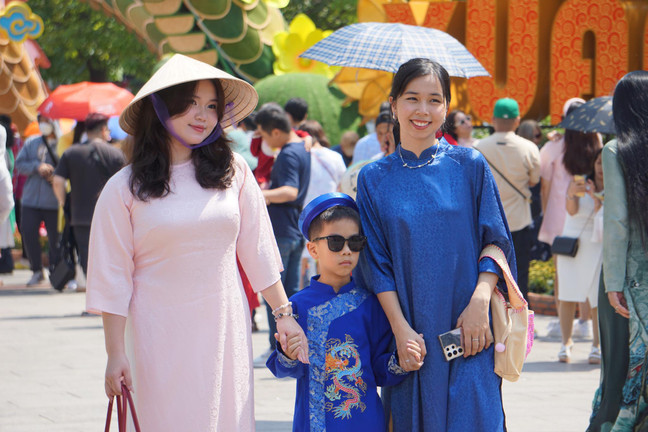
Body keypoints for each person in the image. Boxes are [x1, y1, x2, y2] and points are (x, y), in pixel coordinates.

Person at [85, 54, 308, 430]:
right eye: (190, 103)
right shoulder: (124, 188)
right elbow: (112, 277)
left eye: (211, 106)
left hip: (225, 326)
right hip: (157, 333)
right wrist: (115, 353)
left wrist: (284, 315)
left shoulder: (233, 171)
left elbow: (258, 250)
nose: (202, 116)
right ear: (160, 108)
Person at [357, 58, 516, 431]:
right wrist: (400, 330)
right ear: (394, 104)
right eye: (412, 98)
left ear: (446, 108)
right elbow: (376, 263)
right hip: (412, 337)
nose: (423, 111)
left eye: (434, 100)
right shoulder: (373, 178)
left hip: (469, 330)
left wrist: (479, 302)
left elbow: (496, 240)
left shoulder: (469, 164)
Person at [267, 193, 420, 431]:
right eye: (336, 242)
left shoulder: (371, 305)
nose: (347, 250)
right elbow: (284, 368)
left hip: (366, 423)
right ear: (313, 249)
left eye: (355, 242)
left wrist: (402, 361)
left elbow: (378, 370)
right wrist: (288, 353)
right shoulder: (295, 306)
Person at [588, 70, 648, 431]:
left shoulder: (616, 151)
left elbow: (617, 223)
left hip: (626, 276)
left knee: (620, 364)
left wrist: (613, 283)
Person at [253, 104, 311, 367]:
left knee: (275, 296)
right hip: (294, 228)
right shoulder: (301, 147)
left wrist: (260, 194)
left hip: (282, 231)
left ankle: (275, 348)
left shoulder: (288, 154)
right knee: (291, 293)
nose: (265, 141)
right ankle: (295, 346)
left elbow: (289, 191)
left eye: (265, 135)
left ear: (276, 131)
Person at [475, 98, 540, 301]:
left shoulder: (478, 147)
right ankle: (521, 315)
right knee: (520, 275)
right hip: (519, 220)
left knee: (487, 274)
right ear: (517, 120)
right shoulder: (529, 148)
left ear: (493, 119)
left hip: (487, 222)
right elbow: (534, 180)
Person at [52, 113, 125, 277]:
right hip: (110, 215)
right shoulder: (116, 154)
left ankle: (91, 286)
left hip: (80, 216)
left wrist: (64, 203)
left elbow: (57, 182)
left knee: (87, 259)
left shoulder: (71, 153)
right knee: (110, 256)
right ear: (103, 129)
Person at [555, 148, 604, 363]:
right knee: (567, 294)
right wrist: (572, 193)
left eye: (606, 162)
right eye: (599, 162)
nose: (601, 168)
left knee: (597, 297)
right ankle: (566, 342)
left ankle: (597, 345)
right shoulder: (581, 181)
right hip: (572, 243)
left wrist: (598, 202)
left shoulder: (616, 186)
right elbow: (571, 210)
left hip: (598, 244)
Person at [298, 120, 347, 288]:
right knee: (326, 255)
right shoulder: (335, 156)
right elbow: (342, 185)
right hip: (330, 212)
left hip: (304, 213)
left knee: (303, 260)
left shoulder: (300, 156)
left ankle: (302, 295)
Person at [15, 115, 61, 286]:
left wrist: (54, 172)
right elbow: (19, 164)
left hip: (54, 200)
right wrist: (36, 166)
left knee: (56, 238)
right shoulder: (31, 142)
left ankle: (56, 271)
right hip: (30, 199)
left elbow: (68, 168)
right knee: (28, 232)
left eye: (47, 121)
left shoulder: (62, 143)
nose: (43, 125)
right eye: (41, 121)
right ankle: (36, 270)